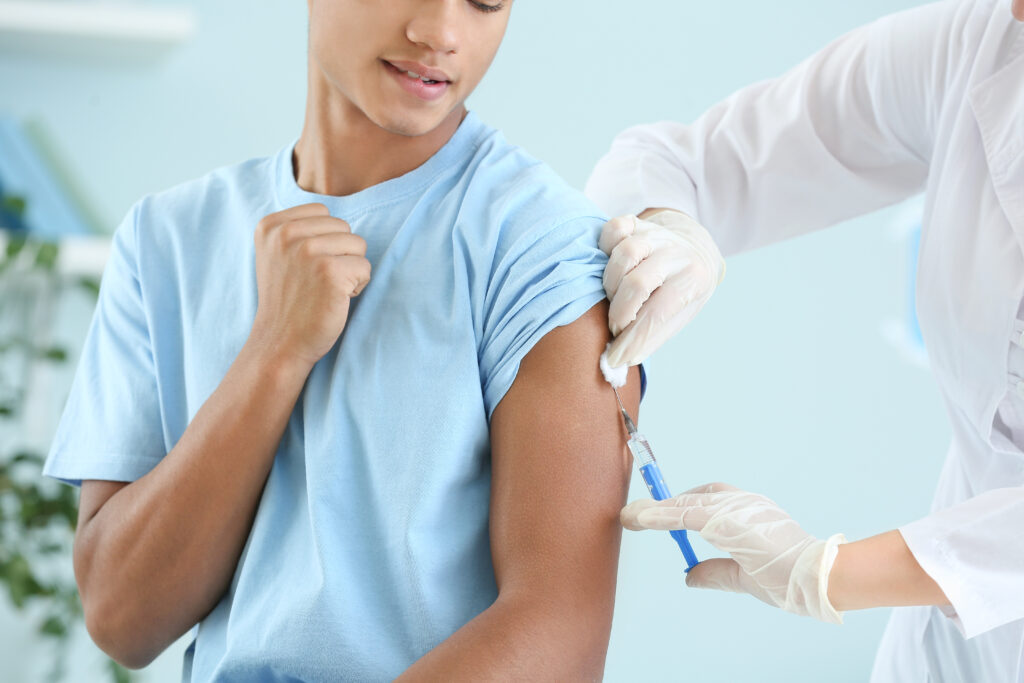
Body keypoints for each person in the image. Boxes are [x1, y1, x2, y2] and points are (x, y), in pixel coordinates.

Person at [43, 0, 641, 680]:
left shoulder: (545, 250)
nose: (441, 34)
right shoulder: (165, 240)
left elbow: (558, 635)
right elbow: (123, 616)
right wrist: (273, 352)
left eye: (484, 1)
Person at [585, 0, 1024, 680]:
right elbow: (683, 159)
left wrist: (826, 572)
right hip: (952, 660)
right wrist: (670, 226)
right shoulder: (982, 42)